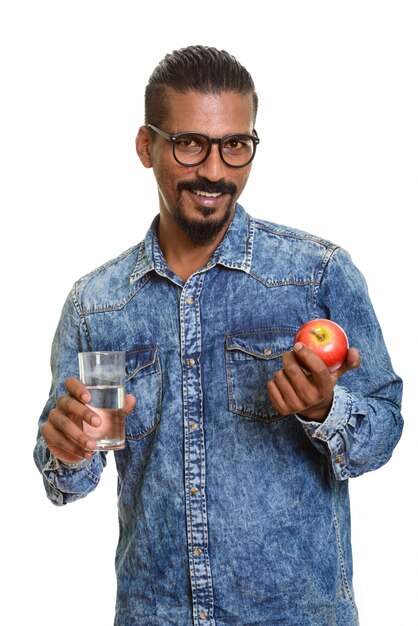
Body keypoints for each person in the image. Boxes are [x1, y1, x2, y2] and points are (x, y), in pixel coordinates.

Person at [34, 45, 403, 626]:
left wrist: (326, 409)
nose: (214, 170)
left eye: (235, 145)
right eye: (190, 143)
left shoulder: (317, 276)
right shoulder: (97, 305)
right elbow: (71, 479)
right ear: (145, 145)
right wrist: (67, 448)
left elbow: (383, 433)